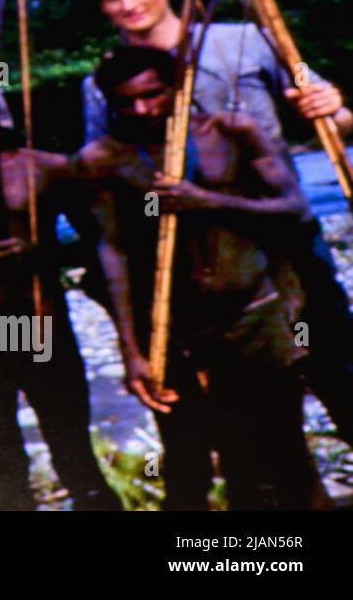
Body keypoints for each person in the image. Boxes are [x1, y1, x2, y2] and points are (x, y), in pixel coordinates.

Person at [75, 0, 353, 445]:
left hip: (282, 226)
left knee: (331, 355)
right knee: (256, 404)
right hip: (200, 258)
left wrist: (334, 105)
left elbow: (327, 112)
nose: (129, 6)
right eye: (114, 0)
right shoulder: (106, 82)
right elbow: (106, 175)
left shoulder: (245, 39)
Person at [78, 45, 328, 510]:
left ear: (179, 86)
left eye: (153, 95)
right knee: (193, 450)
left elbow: (292, 209)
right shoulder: (104, 159)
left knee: (285, 450)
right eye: (125, 101)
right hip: (175, 331)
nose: (142, 109)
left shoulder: (233, 132)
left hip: (256, 316)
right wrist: (133, 352)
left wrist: (208, 201)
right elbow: (111, 254)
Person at [0, 73, 121, 510]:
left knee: (74, 450)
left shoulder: (43, 167)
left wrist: (40, 251)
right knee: (3, 458)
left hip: (40, 324)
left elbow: (101, 239)